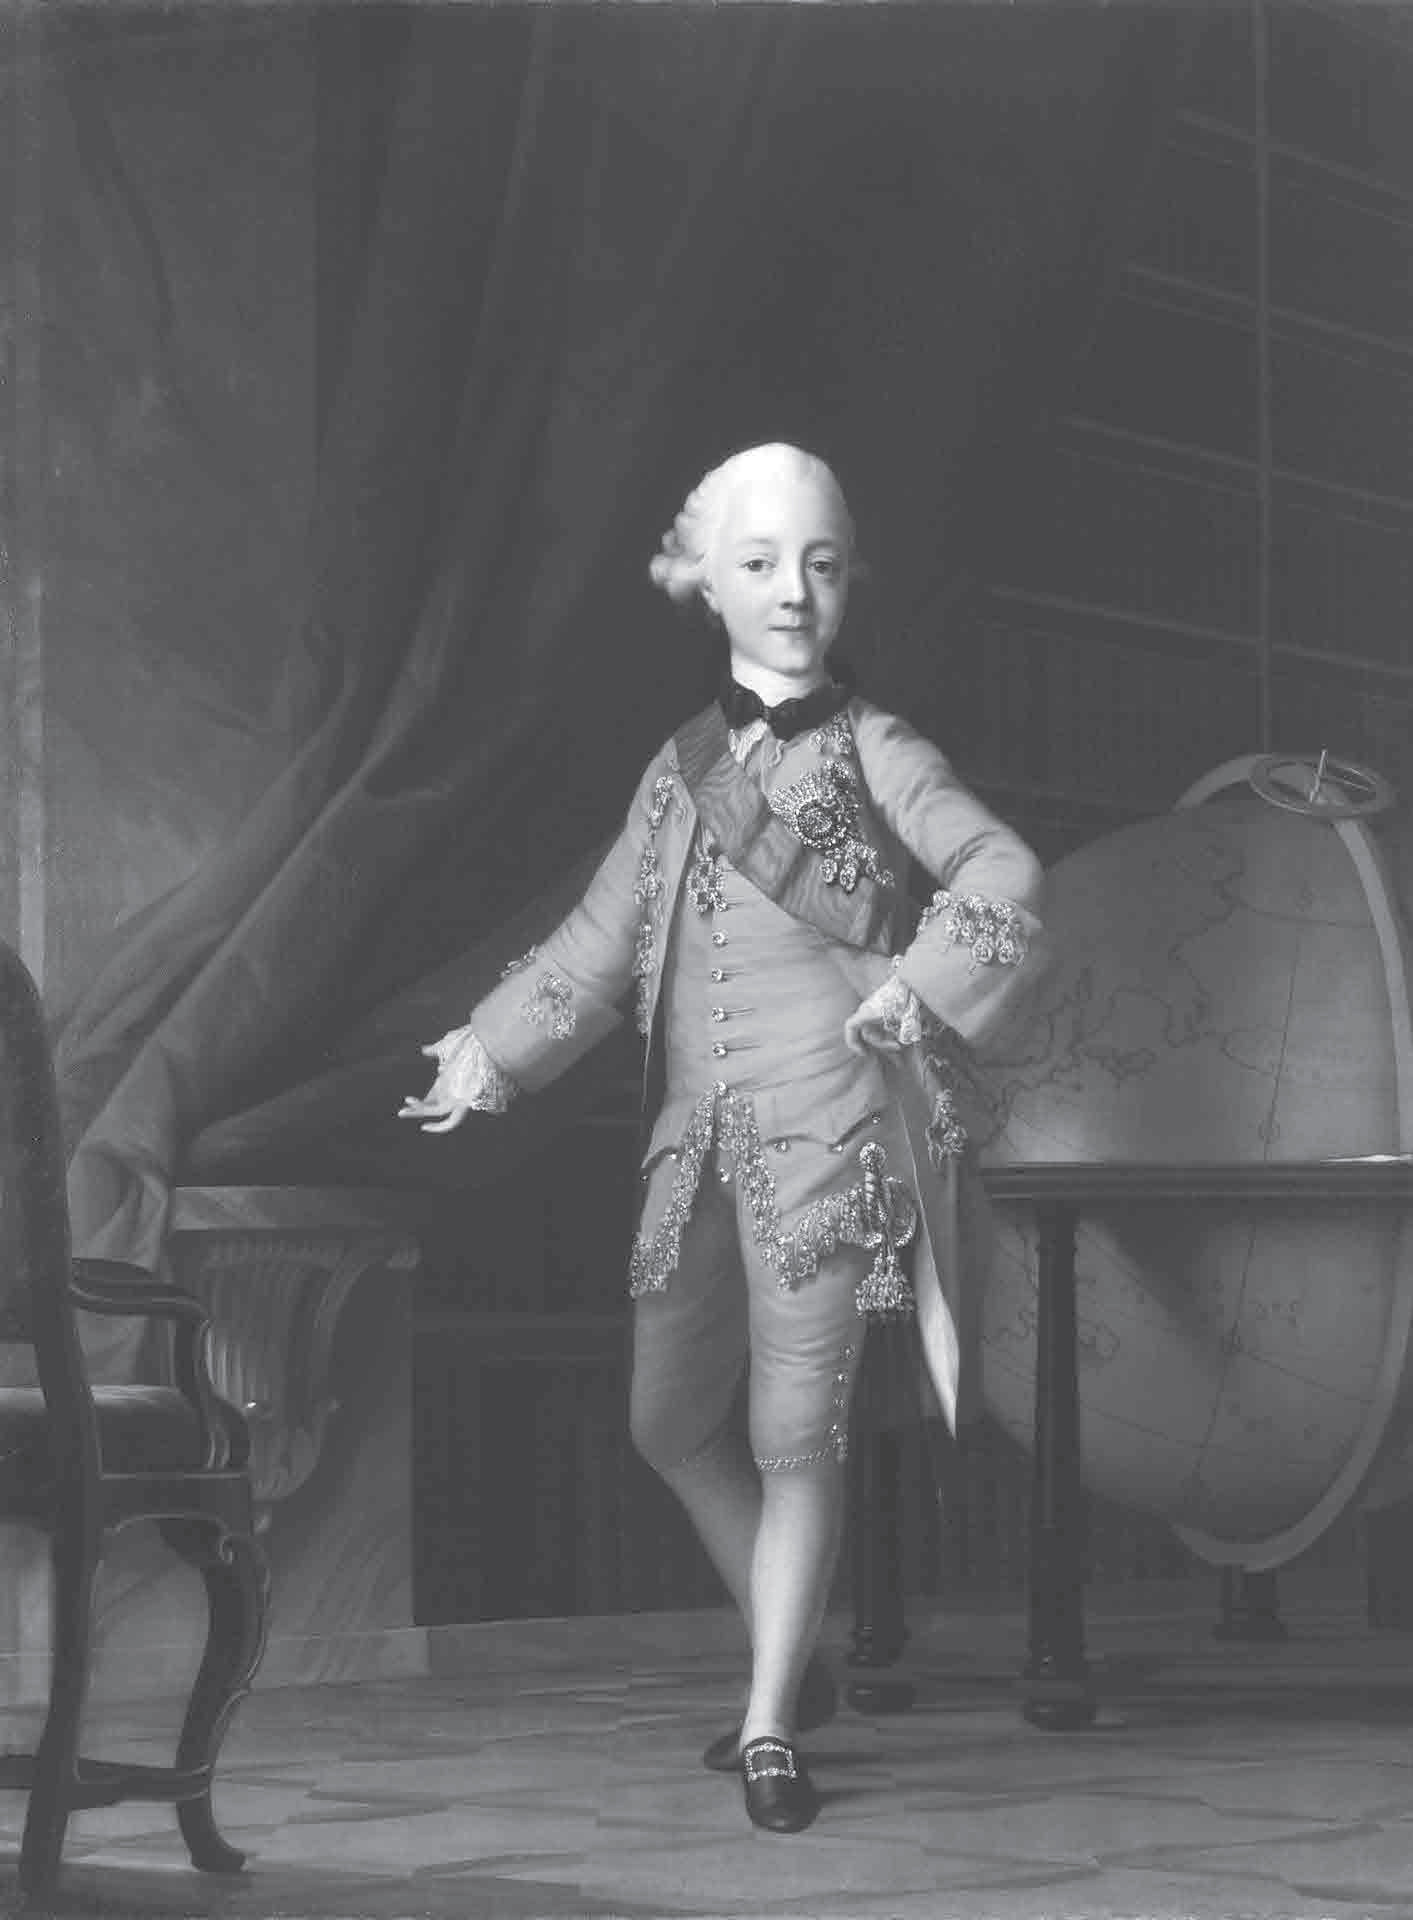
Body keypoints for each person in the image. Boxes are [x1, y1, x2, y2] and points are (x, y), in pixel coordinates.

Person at [399, 442, 1046, 1834]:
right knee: (666, 1422)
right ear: (706, 583)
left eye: (821, 565)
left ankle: (766, 1726)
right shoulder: (677, 771)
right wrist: (490, 1047)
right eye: (761, 565)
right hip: (692, 1151)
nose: (794, 593)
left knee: (791, 1435)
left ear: (848, 581)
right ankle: (792, 1655)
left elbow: (1001, 870)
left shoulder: (881, 749)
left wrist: (917, 985)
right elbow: (598, 944)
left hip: (830, 1139)